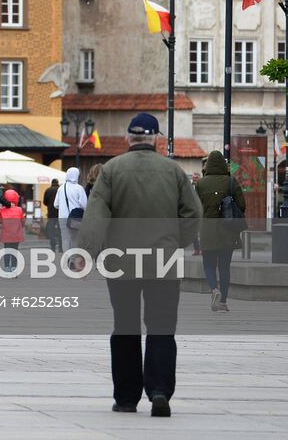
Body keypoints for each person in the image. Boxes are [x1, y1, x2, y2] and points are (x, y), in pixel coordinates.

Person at [79, 112, 202, 418]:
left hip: (120, 263)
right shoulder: (173, 171)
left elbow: (96, 216)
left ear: (128, 139)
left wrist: (87, 253)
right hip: (163, 261)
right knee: (161, 326)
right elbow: (193, 214)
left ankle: (126, 398)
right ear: (156, 138)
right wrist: (176, 242)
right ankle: (159, 391)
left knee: (125, 327)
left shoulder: (111, 170)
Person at [195, 150, 246, 313]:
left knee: (209, 264)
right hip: (228, 230)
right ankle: (223, 301)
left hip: (207, 230)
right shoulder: (231, 182)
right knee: (224, 267)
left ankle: (213, 289)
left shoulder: (201, 184)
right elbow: (242, 205)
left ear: (208, 165)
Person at [55, 166, 89, 258]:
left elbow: (56, 204)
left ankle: (67, 258)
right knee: (75, 239)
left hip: (62, 217)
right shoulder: (79, 188)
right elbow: (84, 205)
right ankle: (73, 259)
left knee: (65, 239)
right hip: (75, 218)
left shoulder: (61, 188)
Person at [0, 189, 26, 274]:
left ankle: (7, 267)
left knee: (7, 250)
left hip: (6, 234)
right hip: (16, 234)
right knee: (15, 250)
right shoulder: (19, 210)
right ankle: (13, 267)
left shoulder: (2, 210)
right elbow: (23, 222)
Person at [43, 179, 62, 251]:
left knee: (51, 231)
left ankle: (53, 247)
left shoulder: (48, 190)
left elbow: (45, 202)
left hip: (51, 214)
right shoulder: (60, 190)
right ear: (57, 183)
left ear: (52, 183)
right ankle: (60, 247)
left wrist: (50, 205)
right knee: (60, 231)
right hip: (60, 213)